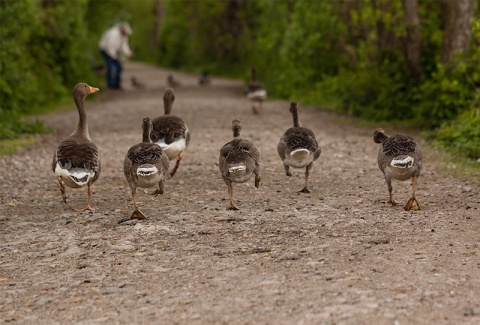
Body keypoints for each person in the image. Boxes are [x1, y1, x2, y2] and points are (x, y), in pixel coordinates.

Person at [98, 22, 133, 90]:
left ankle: (117, 84)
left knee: (119, 66)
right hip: (105, 50)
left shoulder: (124, 36)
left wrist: (128, 53)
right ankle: (111, 85)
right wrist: (112, 56)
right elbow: (109, 46)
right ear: (122, 30)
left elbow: (124, 46)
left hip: (113, 52)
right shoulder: (113, 33)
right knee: (111, 66)